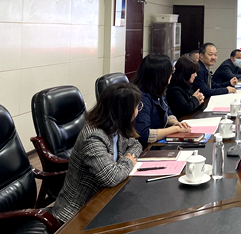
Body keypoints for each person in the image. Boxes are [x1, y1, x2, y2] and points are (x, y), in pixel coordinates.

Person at [51, 83, 143, 224]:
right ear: (123, 111)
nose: (138, 111)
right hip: (78, 212)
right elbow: (111, 177)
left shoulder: (116, 127)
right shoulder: (93, 136)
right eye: (136, 107)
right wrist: (128, 161)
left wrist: (123, 163)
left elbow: (136, 145)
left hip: (105, 199)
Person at [133, 53, 191, 147]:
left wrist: (176, 123)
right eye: (170, 72)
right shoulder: (141, 98)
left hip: (157, 143)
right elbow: (144, 135)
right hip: (145, 148)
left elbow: (168, 112)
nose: (171, 75)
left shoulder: (157, 90)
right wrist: (175, 129)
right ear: (160, 76)